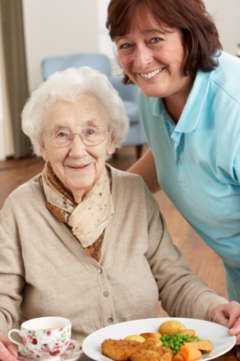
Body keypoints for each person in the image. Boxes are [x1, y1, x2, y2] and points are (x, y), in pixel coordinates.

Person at [0, 67, 240, 361]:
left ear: (111, 140)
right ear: (41, 145)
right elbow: (3, 298)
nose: (78, 150)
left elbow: (174, 279)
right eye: (61, 134)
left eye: (91, 132)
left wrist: (214, 308)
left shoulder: (134, 192)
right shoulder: (20, 208)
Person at [106, 0, 240, 304]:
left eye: (155, 39)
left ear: (190, 36)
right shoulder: (154, 94)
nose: (140, 61)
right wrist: (101, 197)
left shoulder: (234, 106)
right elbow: (169, 153)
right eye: (126, 44)